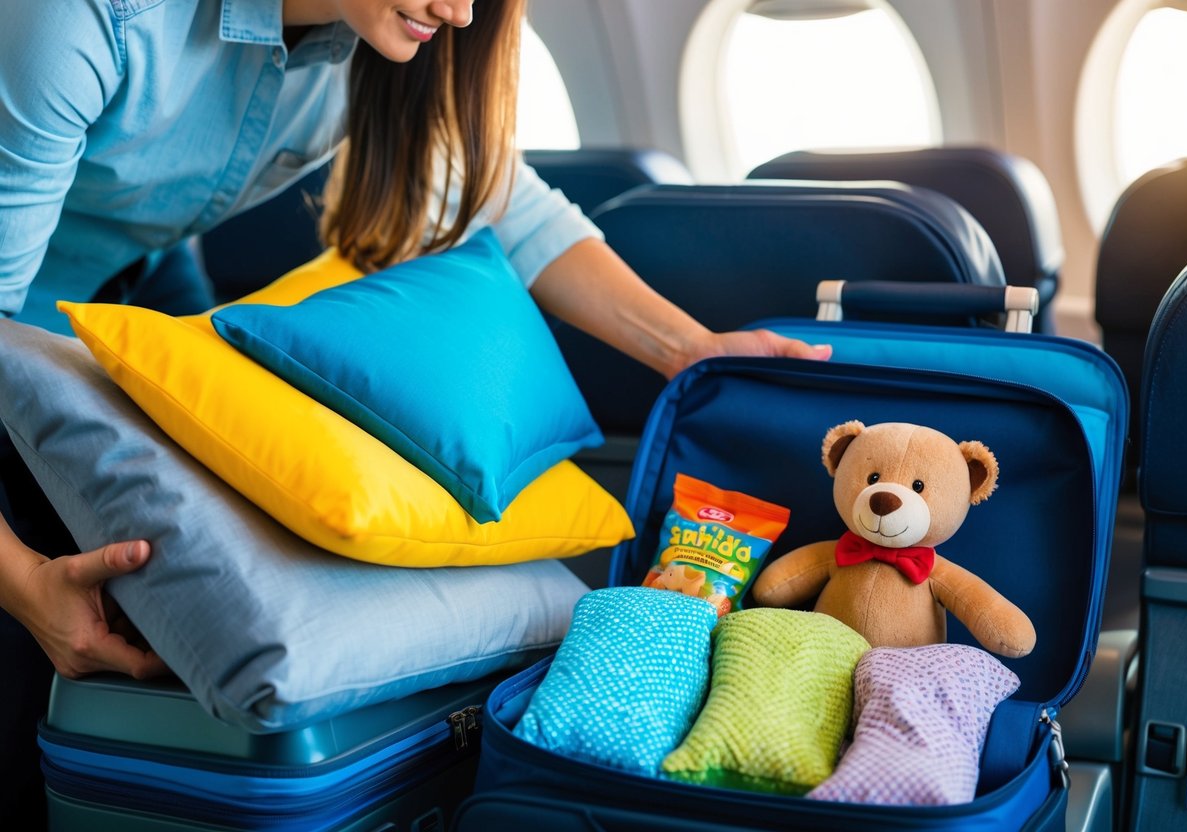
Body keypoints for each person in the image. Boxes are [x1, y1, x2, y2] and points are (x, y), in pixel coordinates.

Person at [0, 0, 831, 819]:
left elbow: (500, 194)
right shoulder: (87, 18)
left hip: (142, 285)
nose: (461, 12)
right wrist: (24, 582)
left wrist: (690, 351)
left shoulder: (370, 35)